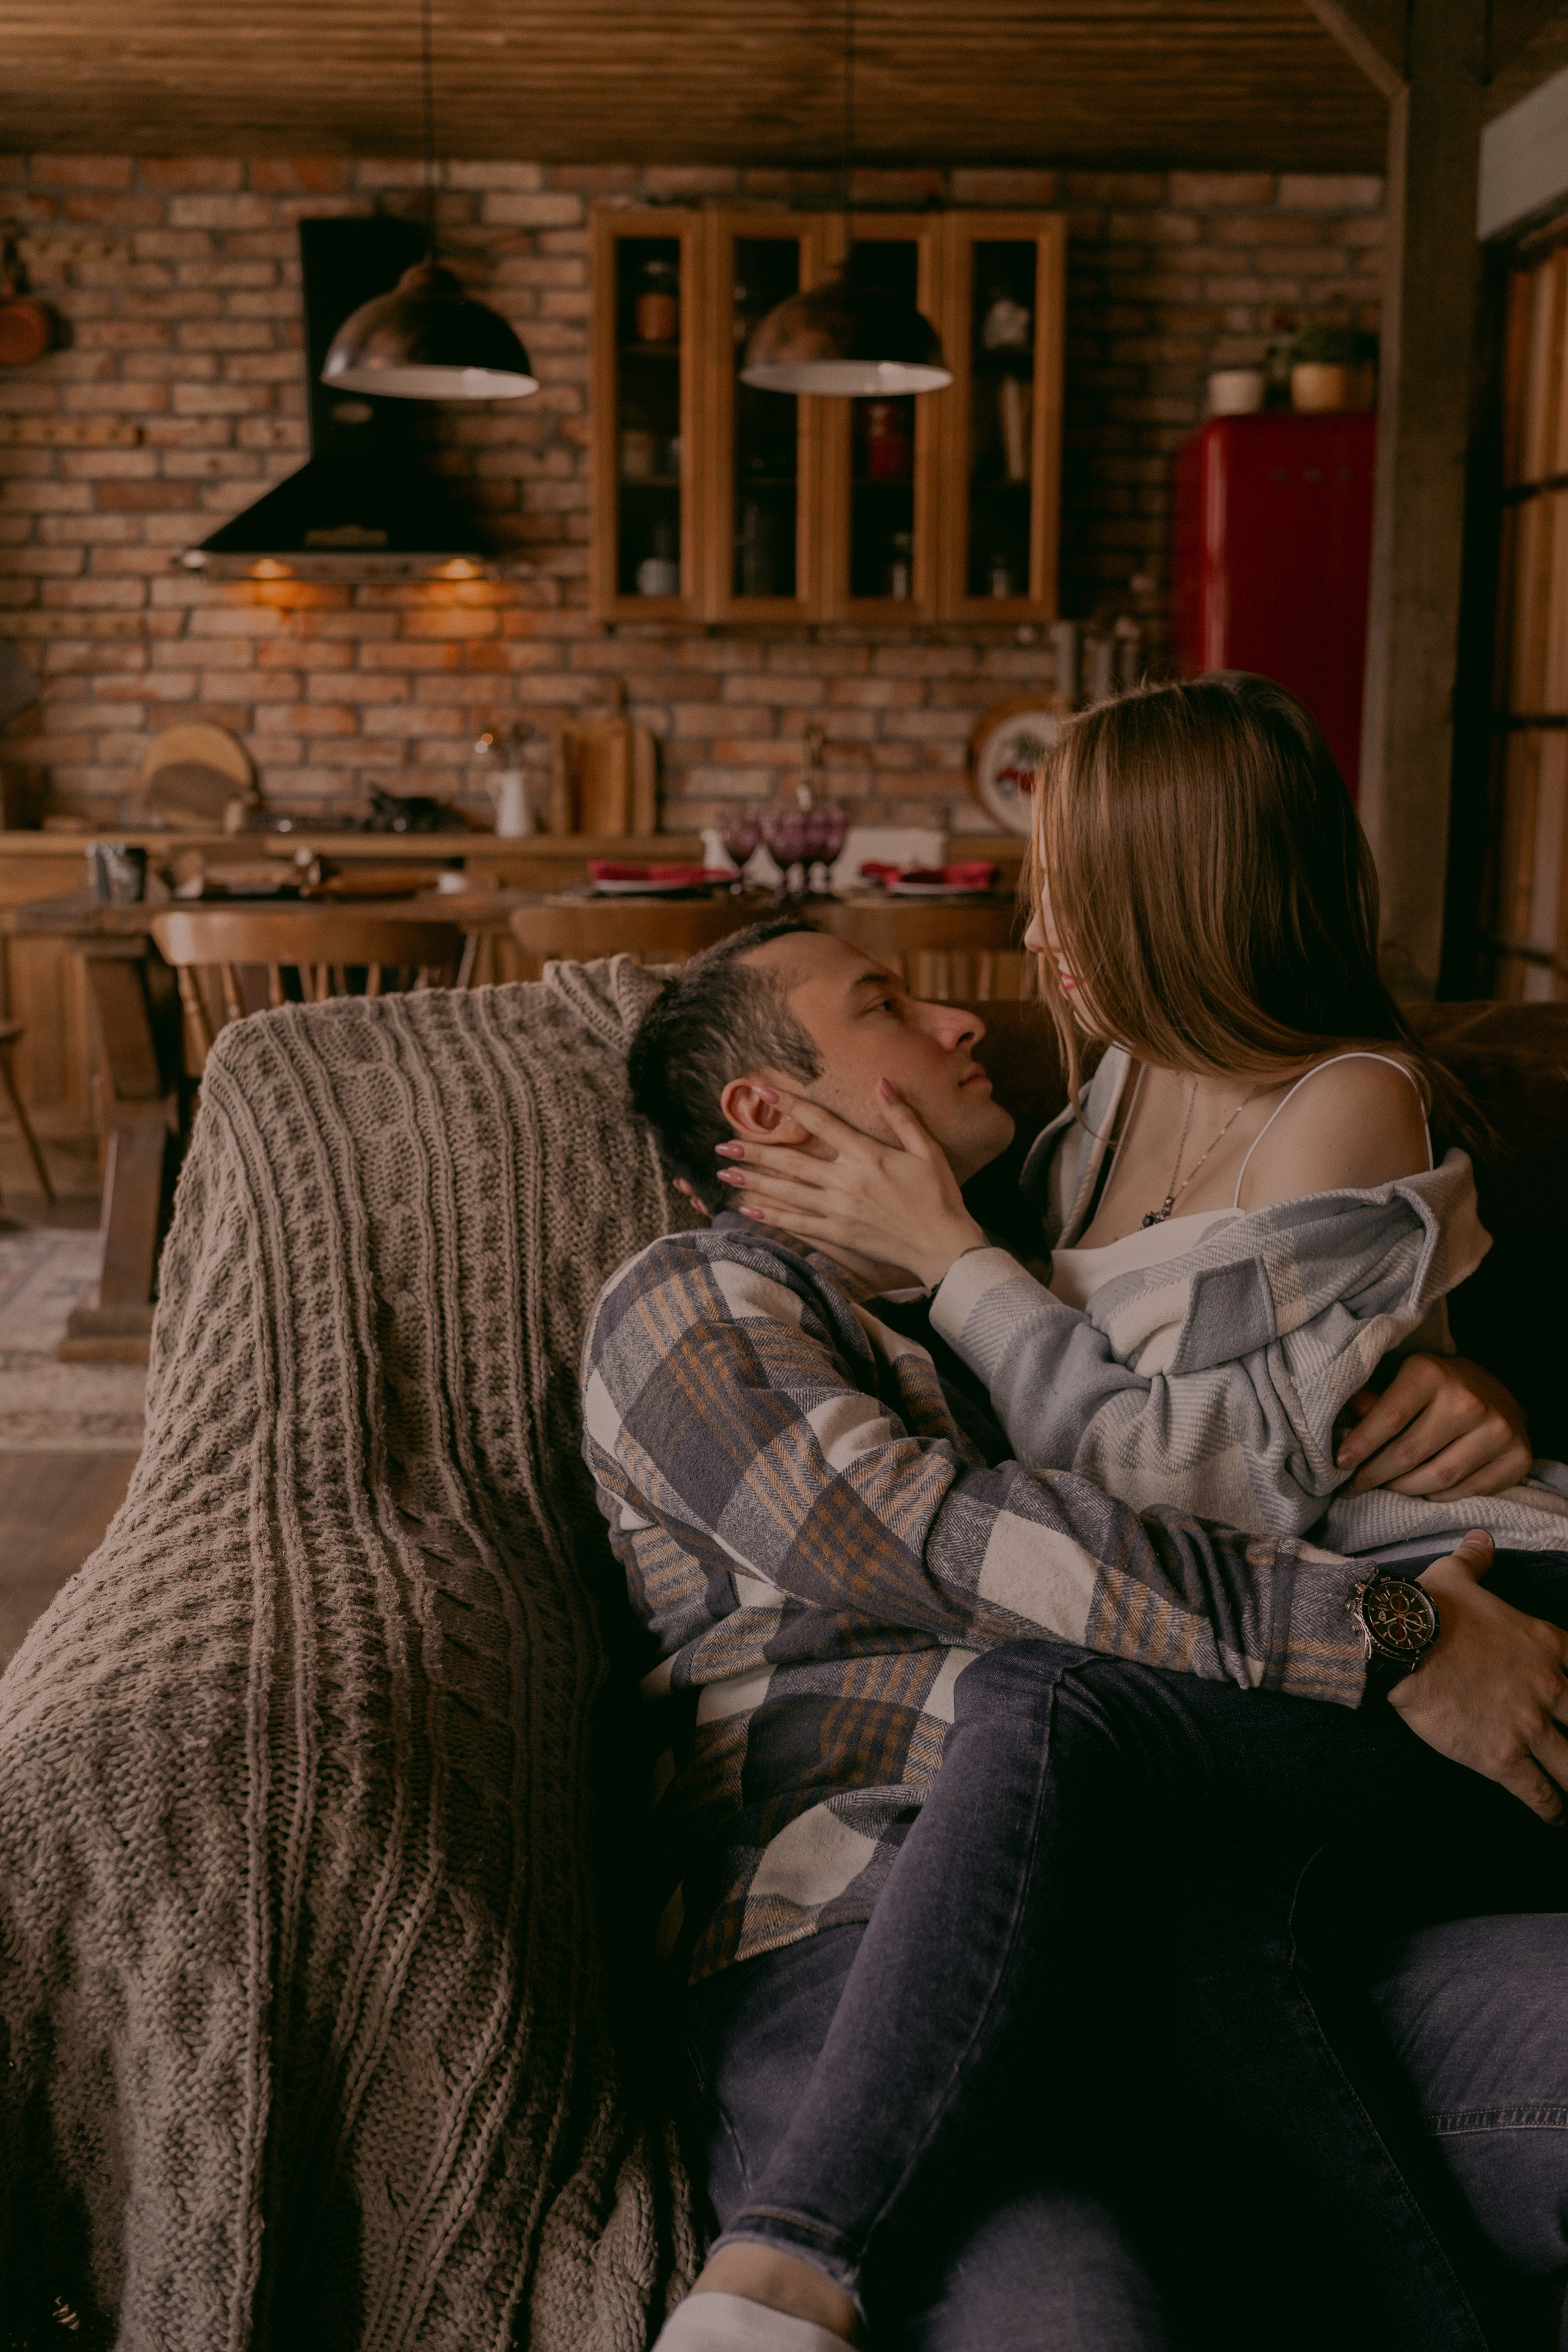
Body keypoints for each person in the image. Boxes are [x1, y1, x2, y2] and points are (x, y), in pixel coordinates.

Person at [583, 911, 1568, 2352]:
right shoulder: (690, 1297)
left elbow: (1246, 1470)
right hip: (860, 1936)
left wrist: (1456, 1390)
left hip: (1176, 1920)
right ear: (764, 1108)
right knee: (1079, 2325)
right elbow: (923, 1539)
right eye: (888, 1003)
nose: (962, 1021)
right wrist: (1390, 1627)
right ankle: (785, 2272)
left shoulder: (1027, 1304)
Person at [712, 673, 1568, 1566]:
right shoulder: (1128, 1070)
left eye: (1068, 887)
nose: (1038, 934)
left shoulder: (1348, 1100)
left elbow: (1206, 1499)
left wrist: (952, 1258)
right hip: (1256, 1616)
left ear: (1180, 895)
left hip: (1441, 1570)